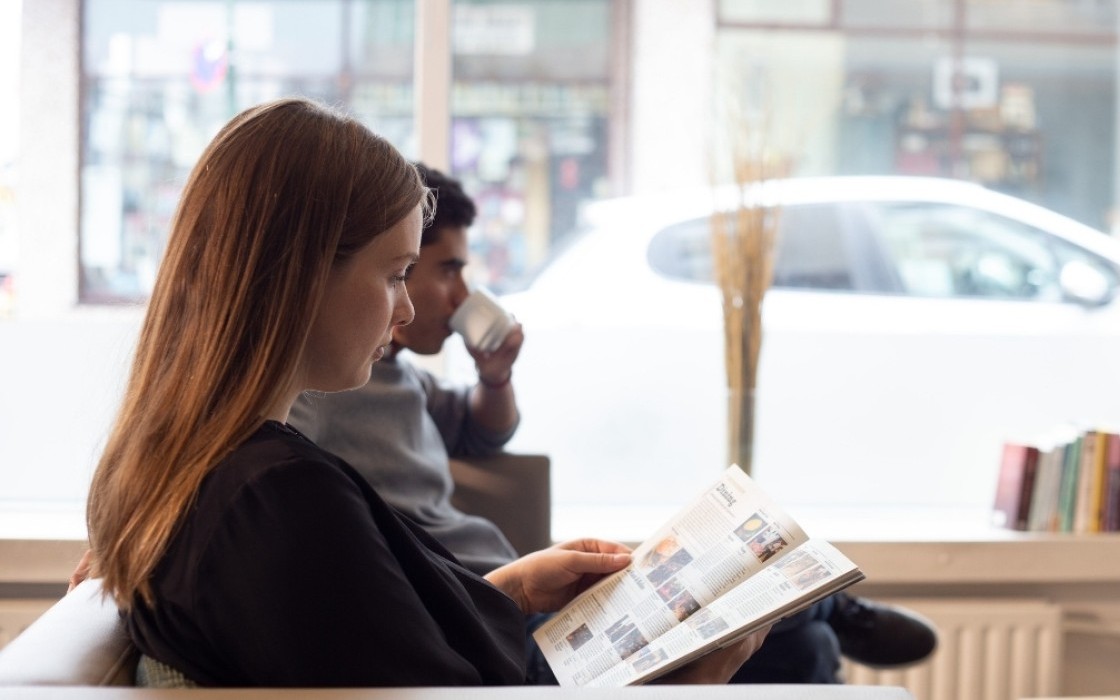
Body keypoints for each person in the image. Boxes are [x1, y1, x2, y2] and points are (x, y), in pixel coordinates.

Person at [82, 97, 767, 687]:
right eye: (394, 275)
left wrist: (513, 589)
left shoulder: (195, 468)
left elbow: (355, 638)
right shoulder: (279, 501)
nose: (406, 311)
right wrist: (688, 688)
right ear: (300, 276)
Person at [288, 164, 937, 685]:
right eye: (431, 271)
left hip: (505, 585)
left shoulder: (400, 376)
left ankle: (822, 607)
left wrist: (496, 376)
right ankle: (826, 602)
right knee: (801, 648)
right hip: (484, 605)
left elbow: (483, 433)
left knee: (797, 641)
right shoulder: (319, 393)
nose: (457, 295)